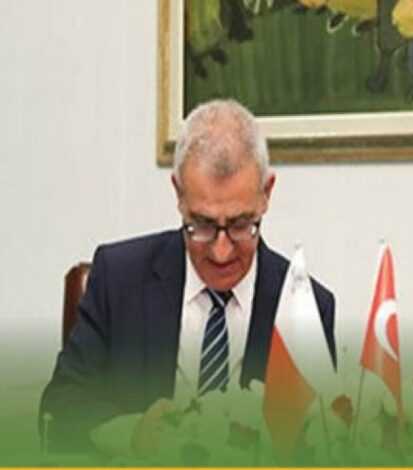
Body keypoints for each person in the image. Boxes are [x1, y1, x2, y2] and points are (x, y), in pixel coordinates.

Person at [39, 100, 336, 455]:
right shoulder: (119, 278)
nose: (221, 252)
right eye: (202, 225)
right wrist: (134, 433)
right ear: (179, 194)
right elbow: (60, 410)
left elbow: (320, 440)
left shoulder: (306, 305)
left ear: (266, 193)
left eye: (241, 225)